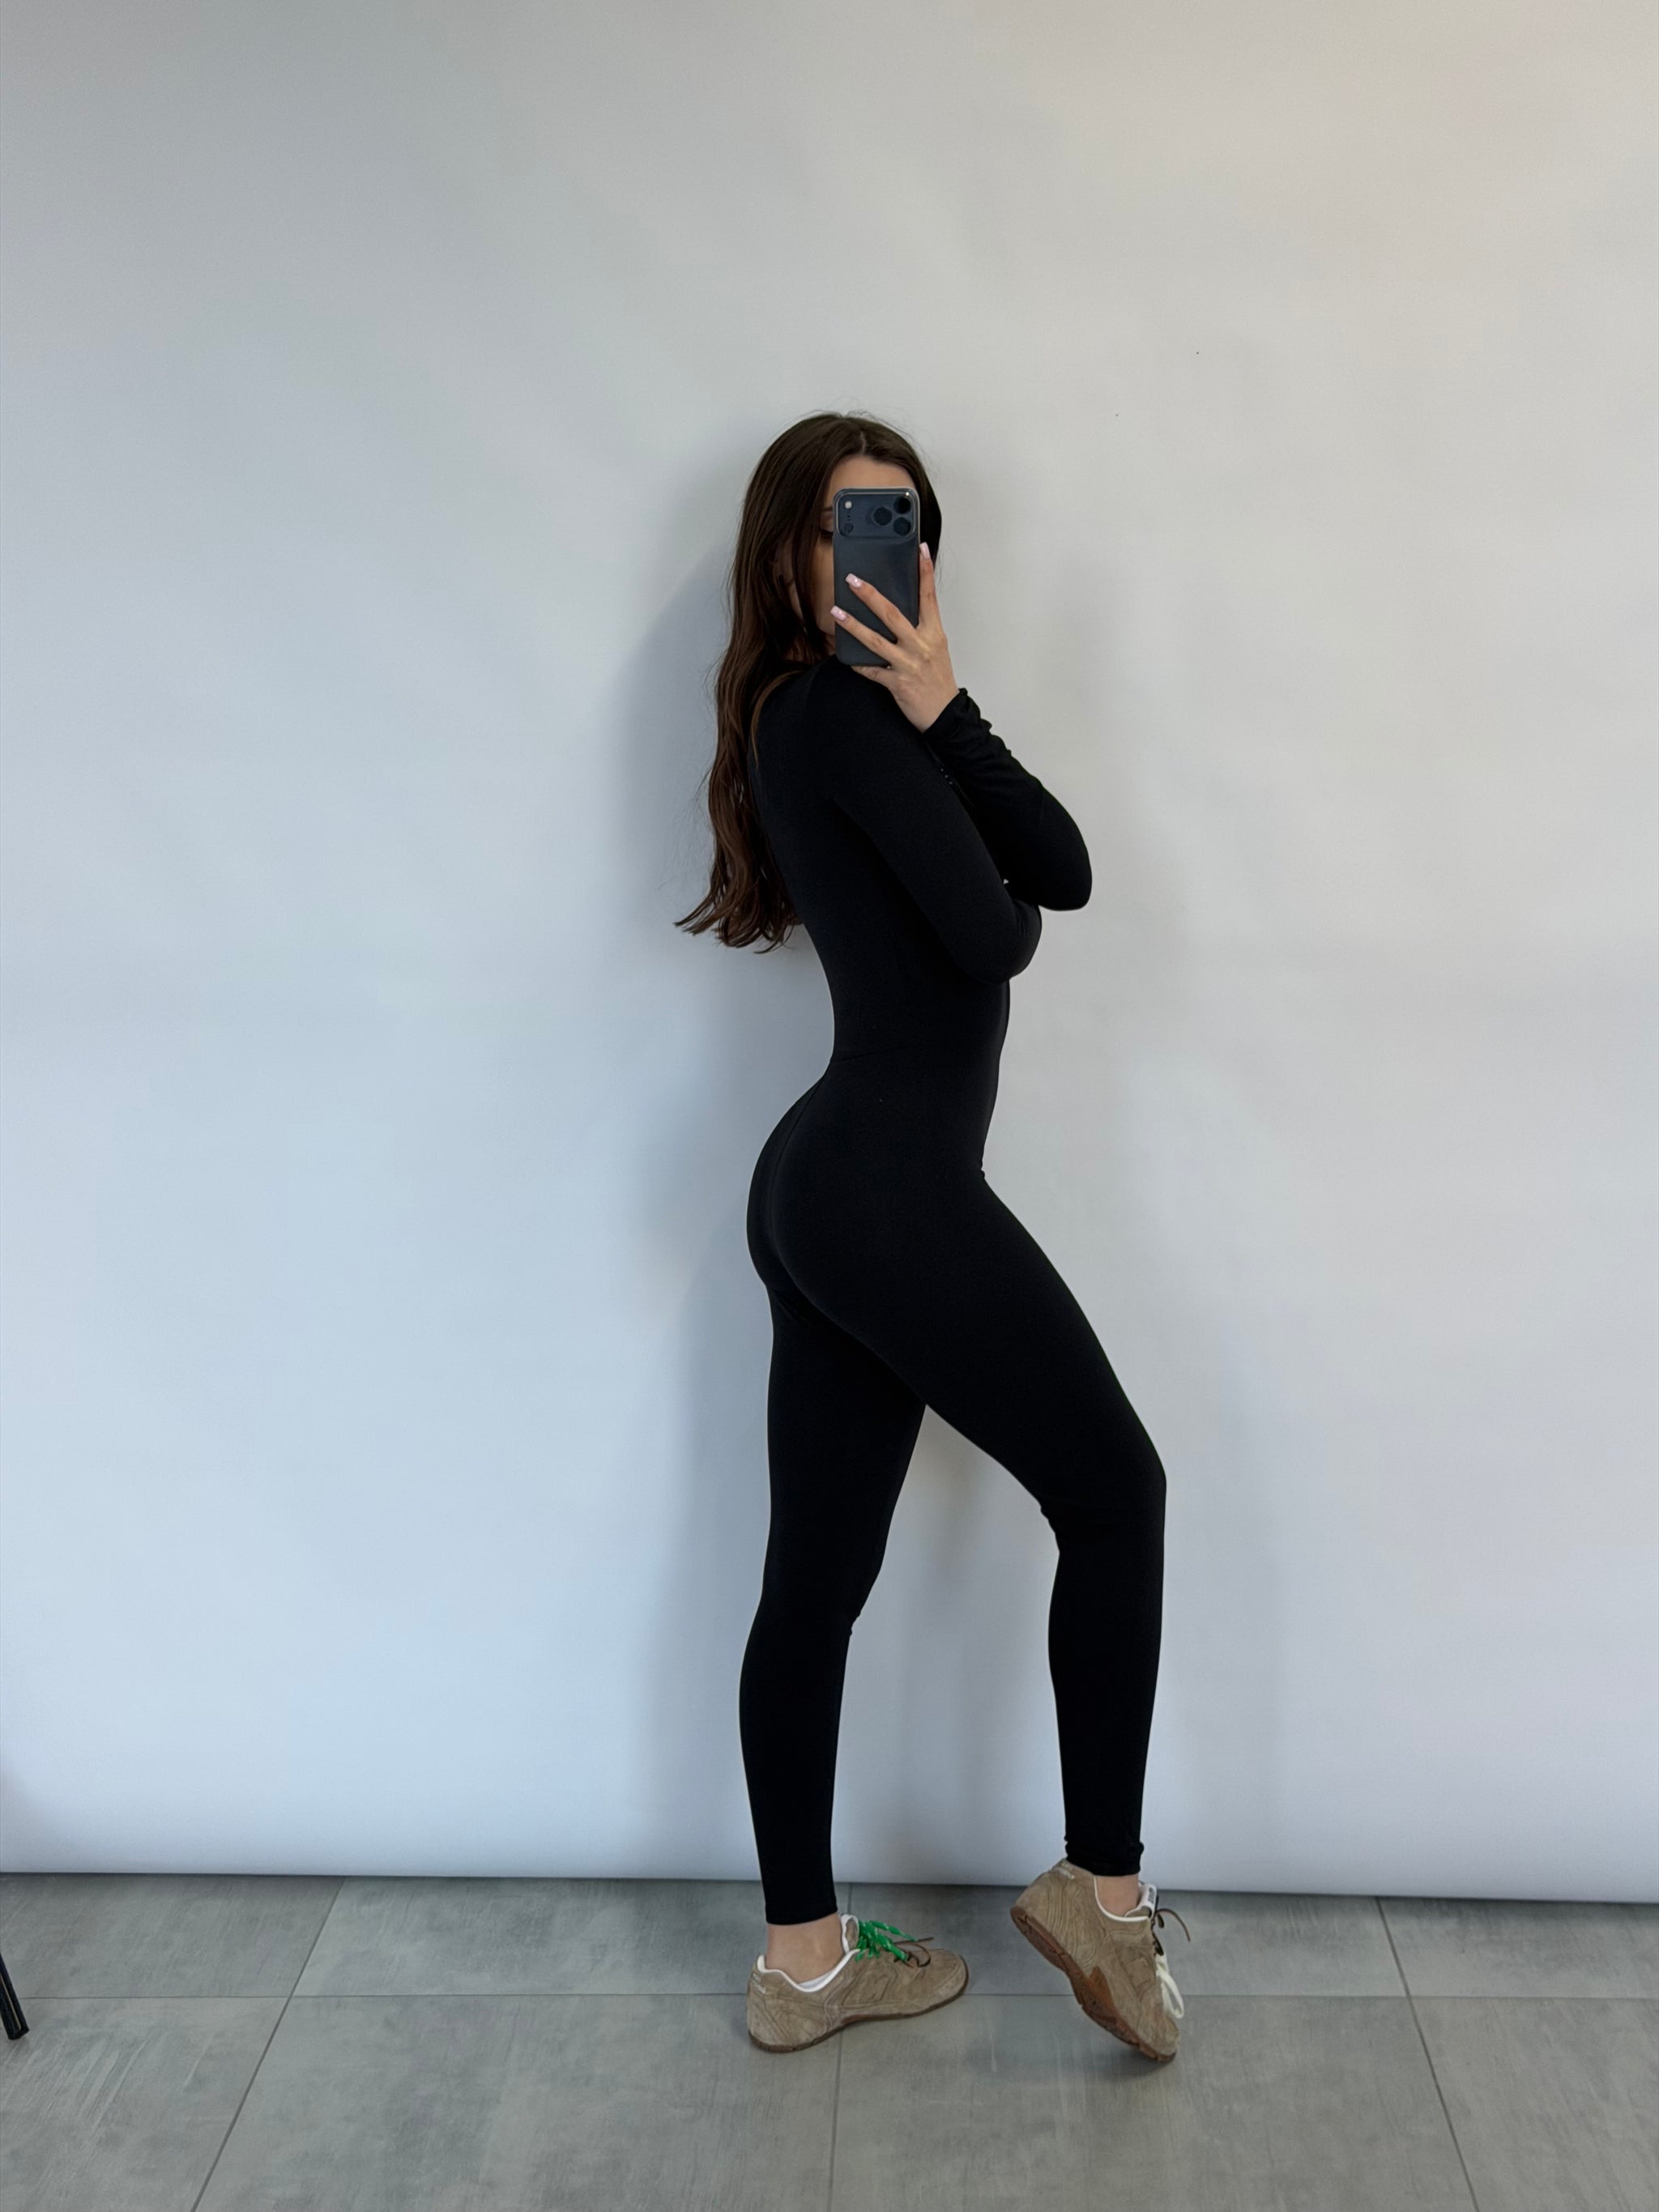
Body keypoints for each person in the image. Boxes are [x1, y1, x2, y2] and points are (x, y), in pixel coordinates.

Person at [677, 412, 1188, 2059]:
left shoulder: (849, 715)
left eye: (901, 525)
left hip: (839, 1186)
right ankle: (1104, 1900)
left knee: (816, 1582)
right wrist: (934, 745)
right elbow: (995, 931)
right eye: (845, 524)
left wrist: (946, 704)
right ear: (786, 557)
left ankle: (804, 1968)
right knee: (1116, 1493)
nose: (876, 556)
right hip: (885, 1187)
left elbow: (1063, 875)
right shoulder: (828, 712)